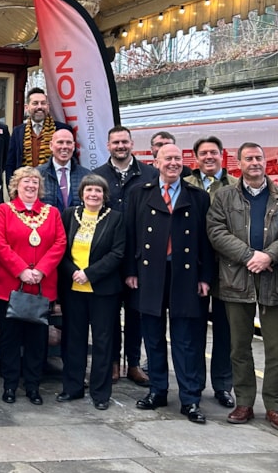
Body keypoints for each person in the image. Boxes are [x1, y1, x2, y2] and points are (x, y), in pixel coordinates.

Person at [207, 143, 278, 432]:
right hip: (236, 280)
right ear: (239, 163)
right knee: (239, 347)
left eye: (259, 158)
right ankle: (244, 402)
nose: (254, 163)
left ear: (266, 162)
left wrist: (269, 256)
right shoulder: (224, 197)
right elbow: (216, 231)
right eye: (248, 158)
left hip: (275, 280)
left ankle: (275, 406)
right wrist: (249, 255)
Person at [126, 144, 215, 424]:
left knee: (185, 340)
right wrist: (131, 271)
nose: (173, 163)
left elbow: (207, 242)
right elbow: (130, 234)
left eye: (178, 159)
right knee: (152, 336)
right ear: (156, 162)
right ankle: (158, 390)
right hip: (150, 274)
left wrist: (205, 277)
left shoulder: (198, 197)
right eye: (168, 159)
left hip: (186, 276)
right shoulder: (139, 193)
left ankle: (190, 399)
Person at [0, 166, 66, 404]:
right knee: (10, 338)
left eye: (34, 182)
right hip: (10, 286)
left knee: (37, 340)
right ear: (16, 186)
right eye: (26, 182)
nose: (31, 186)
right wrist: (21, 270)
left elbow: (60, 243)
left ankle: (33, 386)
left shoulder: (52, 213)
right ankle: (10, 385)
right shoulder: (4, 210)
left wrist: (41, 270)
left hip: (41, 287)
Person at [91, 125, 156, 387]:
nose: (120, 146)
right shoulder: (98, 176)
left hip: (140, 256)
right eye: (116, 142)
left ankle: (133, 363)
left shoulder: (150, 174)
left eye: (124, 142)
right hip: (108, 257)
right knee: (108, 314)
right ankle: (113, 363)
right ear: (108, 146)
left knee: (135, 312)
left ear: (132, 144)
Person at [56, 174, 125, 409]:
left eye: (98, 190)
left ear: (104, 195)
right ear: (82, 193)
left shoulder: (115, 218)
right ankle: (72, 387)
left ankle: (100, 393)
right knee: (73, 340)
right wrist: (73, 271)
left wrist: (90, 273)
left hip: (102, 290)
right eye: (89, 190)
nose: (93, 194)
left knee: (103, 342)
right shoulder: (69, 215)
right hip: (73, 288)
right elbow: (60, 248)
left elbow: (117, 253)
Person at [183, 135, 235, 409]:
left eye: (213, 152)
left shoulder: (235, 186)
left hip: (227, 267)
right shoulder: (185, 185)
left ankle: (223, 385)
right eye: (203, 153)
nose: (209, 157)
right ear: (196, 157)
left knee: (226, 331)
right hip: (194, 267)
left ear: (221, 155)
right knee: (194, 329)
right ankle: (194, 384)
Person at [6, 87, 72, 182]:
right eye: (35, 103)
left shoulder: (61, 130)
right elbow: (10, 164)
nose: (40, 107)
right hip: (26, 187)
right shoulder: (18, 131)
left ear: (48, 106)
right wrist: (12, 192)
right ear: (26, 107)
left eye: (43, 103)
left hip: (52, 186)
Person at [36, 128, 90, 210]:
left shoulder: (87, 175)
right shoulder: (37, 175)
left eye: (68, 143)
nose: (64, 147)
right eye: (60, 142)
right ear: (51, 145)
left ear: (74, 146)